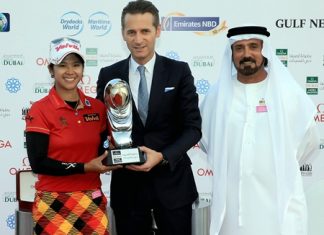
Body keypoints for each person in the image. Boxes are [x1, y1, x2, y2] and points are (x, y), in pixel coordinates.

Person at [199, 24, 319, 235]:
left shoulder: (288, 93)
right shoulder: (217, 95)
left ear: (264, 51)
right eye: (239, 48)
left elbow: (308, 141)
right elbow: (207, 141)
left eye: (253, 46)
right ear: (232, 53)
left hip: (281, 202)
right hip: (233, 206)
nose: (246, 54)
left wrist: (277, 166)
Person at [96, 1, 202, 234]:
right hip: (128, 190)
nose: (138, 39)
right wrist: (105, 151)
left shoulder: (179, 71)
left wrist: (163, 156)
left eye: (145, 31)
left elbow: (193, 128)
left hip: (173, 187)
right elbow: (101, 129)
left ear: (158, 31)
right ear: (123, 33)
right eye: (131, 32)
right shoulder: (109, 75)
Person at [25, 37, 121, 235]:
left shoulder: (98, 108)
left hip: (91, 199)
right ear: (51, 70)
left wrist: (117, 152)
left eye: (76, 65)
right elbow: (38, 163)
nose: (70, 71)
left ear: (83, 69)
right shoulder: (40, 109)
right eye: (62, 65)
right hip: (52, 201)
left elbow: (103, 150)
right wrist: (85, 167)